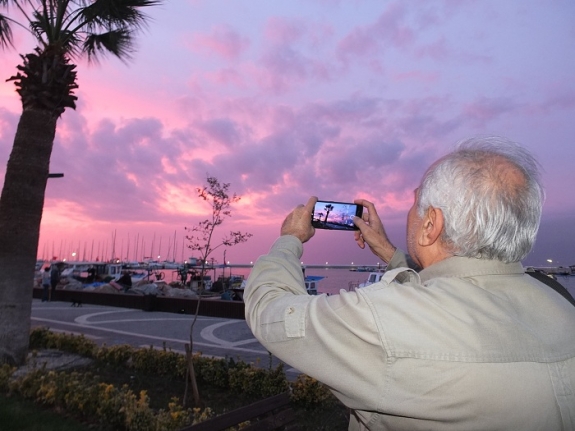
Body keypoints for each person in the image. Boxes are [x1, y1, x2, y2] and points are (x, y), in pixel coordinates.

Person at [244, 136, 575, 430]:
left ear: (431, 224)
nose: (409, 212)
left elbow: (271, 311)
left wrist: (290, 239)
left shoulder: (385, 320)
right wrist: (387, 250)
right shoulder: (559, 302)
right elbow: (450, 287)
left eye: (415, 203)